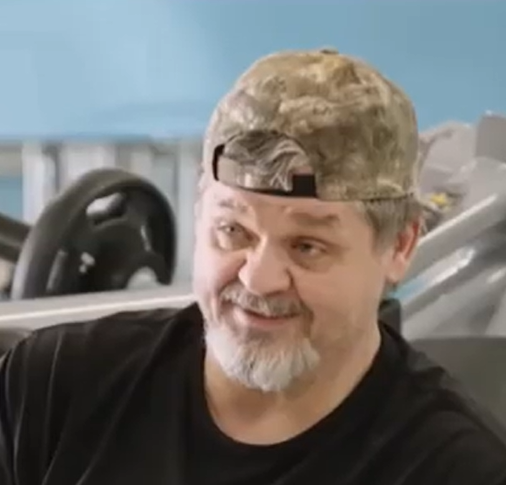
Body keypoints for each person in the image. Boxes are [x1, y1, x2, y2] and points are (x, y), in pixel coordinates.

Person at [1, 48, 506, 485]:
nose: (258, 279)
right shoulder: (53, 388)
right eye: (233, 231)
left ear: (400, 245)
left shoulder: (455, 468)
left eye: (307, 246)